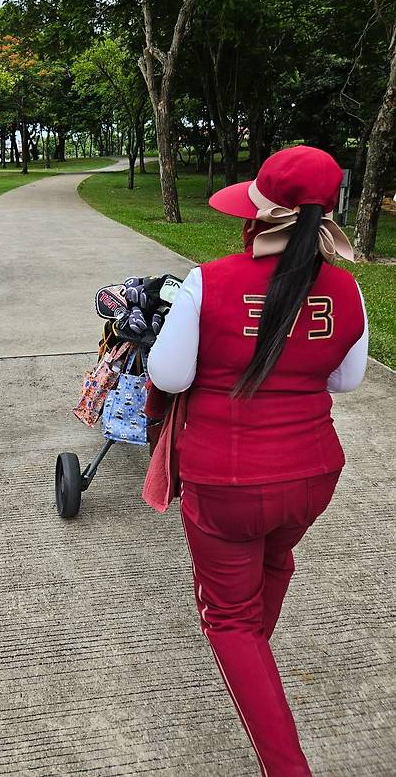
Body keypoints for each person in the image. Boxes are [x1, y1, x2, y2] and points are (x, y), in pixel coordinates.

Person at [147, 145, 368, 777]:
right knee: (275, 559)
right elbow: (347, 380)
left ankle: (284, 760)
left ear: (259, 215)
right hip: (314, 474)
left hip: (227, 481)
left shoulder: (209, 280)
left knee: (229, 621)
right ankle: (254, 664)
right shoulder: (346, 287)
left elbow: (168, 374)